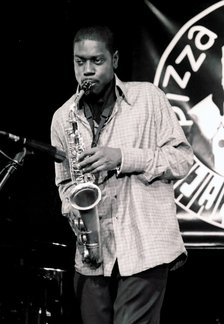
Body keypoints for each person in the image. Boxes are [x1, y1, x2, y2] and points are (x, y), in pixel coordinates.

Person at [50, 24, 194, 324]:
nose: (87, 70)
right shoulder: (63, 118)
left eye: (96, 61)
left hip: (145, 248)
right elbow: (64, 182)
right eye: (80, 62)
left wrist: (123, 158)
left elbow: (181, 160)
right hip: (93, 257)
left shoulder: (148, 98)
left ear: (114, 60)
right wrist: (72, 207)